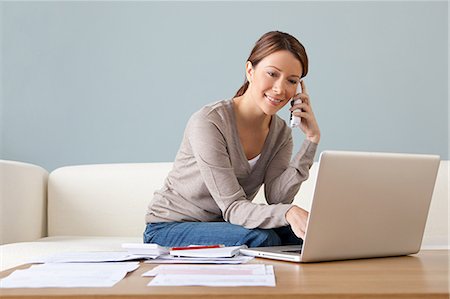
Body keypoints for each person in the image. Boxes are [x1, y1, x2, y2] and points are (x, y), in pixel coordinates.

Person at [144, 31, 321, 248]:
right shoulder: (210, 122)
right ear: (250, 71)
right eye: (272, 74)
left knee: (308, 235)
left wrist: (311, 140)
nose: (280, 89)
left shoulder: (280, 133)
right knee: (264, 238)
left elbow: (278, 199)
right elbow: (233, 207)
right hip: (170, 227)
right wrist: (289, 213)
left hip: (226, 225)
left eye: (292, 81)